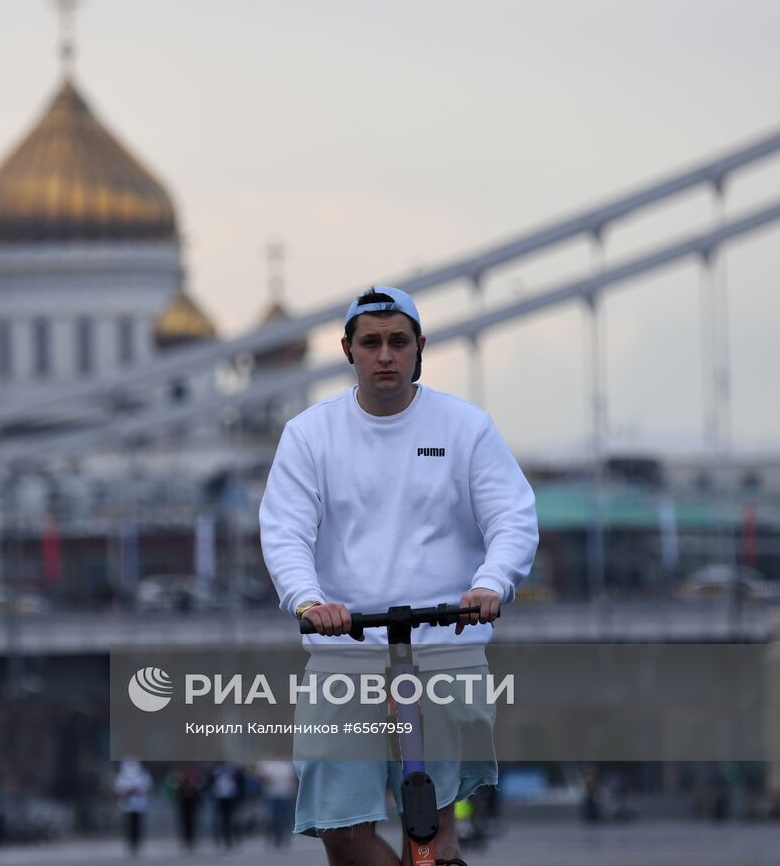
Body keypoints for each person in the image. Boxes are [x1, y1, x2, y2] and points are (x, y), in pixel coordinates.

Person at [260, 285, 537, 866]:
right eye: (371, 343)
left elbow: (512, 516)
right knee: (340, 830)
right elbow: (285, 531)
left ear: (419, 348)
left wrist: (492, 584)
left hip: (443, 641)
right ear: (347, 349)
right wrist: (309, 601)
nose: (385, 355)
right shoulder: (310, 435)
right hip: (346, 648)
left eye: (397, 342)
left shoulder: (466, 428)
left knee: (434, 836)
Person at [112, 759, 152, 857]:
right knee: (129, 826)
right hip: (127, 806)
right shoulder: (122, 776)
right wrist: (127, 792)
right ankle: (130, 844)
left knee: (138, 826)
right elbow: (118, 789)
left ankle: (137, 844)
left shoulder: (143, 774)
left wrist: (137, 790)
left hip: (139, 805)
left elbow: (147, 787)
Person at [256, 759, 297, 849]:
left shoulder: (286, 766)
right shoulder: (267, 765)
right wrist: (266, 778)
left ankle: (284, 837)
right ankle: (275, 837)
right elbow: (261, 778)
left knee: (284, 817)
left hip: (284, 795)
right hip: (271, 795)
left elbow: (292, 780)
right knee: (273, 817)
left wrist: (291, 792)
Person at [165, 764, 203, 852]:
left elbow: (199, 789)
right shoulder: (178, 776)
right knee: (183, 822)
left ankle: (191, 840)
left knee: (192, 822)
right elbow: (173, 788)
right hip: (183, 802)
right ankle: (185, 840)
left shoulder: (194, 777)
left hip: (192, 802)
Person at [208, 762, 242, 851]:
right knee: (219, 820)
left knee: (232, 820)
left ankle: (232, 840)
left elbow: (240, 782)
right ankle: (220, 840)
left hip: (231, 798)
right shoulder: (215, 770)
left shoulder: (233, 770)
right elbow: (210, 782)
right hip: (219, 798)